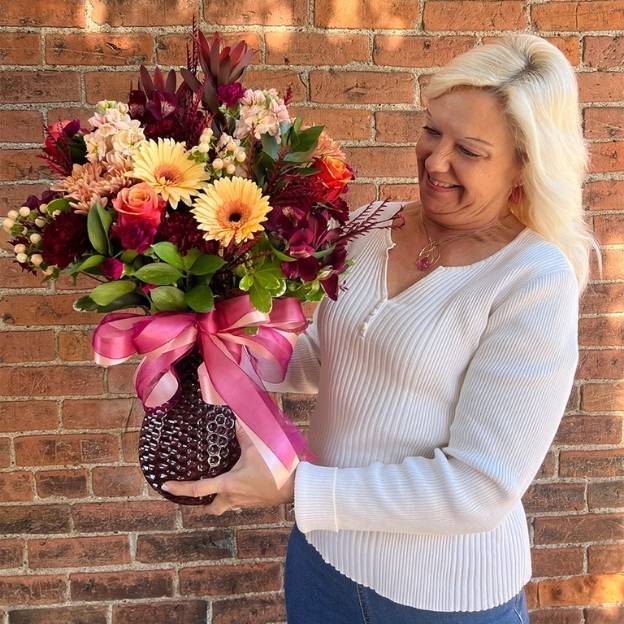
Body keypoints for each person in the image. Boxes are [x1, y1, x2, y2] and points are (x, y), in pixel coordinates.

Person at [162, 34, 601, 623]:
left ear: (526, 164)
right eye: (432, 130)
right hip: (323, 561)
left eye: (469, 149)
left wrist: (298, 490)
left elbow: (479, 487)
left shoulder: (532, 280)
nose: (436, 159)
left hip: (442, 597)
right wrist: (208, 344)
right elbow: (323, 356)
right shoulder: (372, 224)